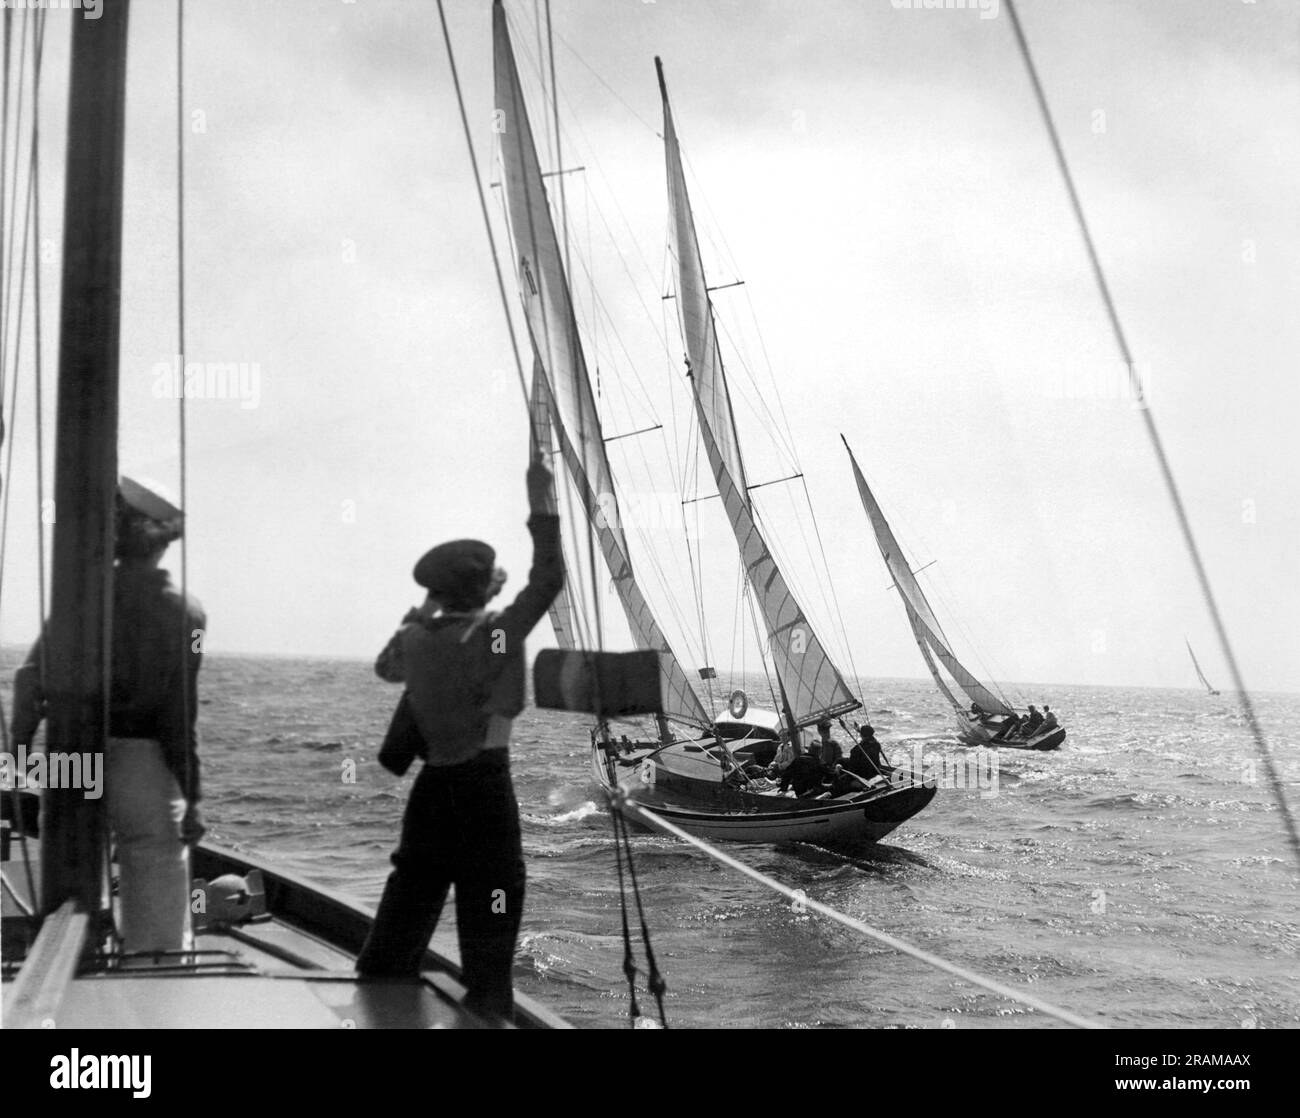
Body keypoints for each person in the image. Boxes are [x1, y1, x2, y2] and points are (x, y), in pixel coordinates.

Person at [356, 457, 563, 1024]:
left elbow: (385, 669)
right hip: (484, 788)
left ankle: (381, 989)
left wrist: (423, 606)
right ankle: (485, 1006)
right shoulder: (495, 635)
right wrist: (541, 505)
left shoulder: (413, 640)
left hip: (432, 791)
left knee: (412, 893)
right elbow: (547, 581)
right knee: (491, 901)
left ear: (438, 593)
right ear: (482, 588)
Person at [10, 477, 206, 954]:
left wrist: (18, 757)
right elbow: (179, 716)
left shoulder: (78, 598)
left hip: (71, 752)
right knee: (155, 860)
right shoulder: (185, 612)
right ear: (165, 543)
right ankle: (154, 974)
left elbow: (28, 681)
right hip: (142, 757)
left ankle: (76, 963)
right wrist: (193, 797)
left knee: (70, 869)